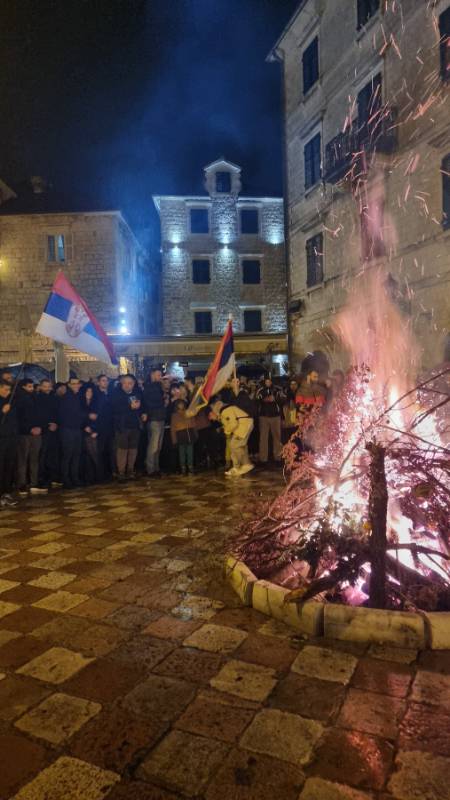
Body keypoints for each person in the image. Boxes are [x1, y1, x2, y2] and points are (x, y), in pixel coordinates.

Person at [15, 379, 47, 496]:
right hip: (24, 434)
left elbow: (39, 415)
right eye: (29, 386)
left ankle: (34, 482)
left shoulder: (35, 398)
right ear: (23, 387)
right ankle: (22, 484)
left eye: (32, 386)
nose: (32, 388)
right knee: (22, 460)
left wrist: (40, 427)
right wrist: (29, 429)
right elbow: (19, 418)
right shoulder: (18, 399)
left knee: (34, 459)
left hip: (37, 432)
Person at [210, 398, 254, 477]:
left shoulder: (225, 410)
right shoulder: (225, 410)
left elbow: (233, 424)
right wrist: (217, 419)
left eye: (212, 410)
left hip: (243, 426)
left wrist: (226, 432)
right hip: (244, 425)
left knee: (234, 445)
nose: (211, 412)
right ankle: (237, 467)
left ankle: (245, 464)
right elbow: (228, 421)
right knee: (237, 446)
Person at [112, 374, 143, 481]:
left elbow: (141, 406)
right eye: (125, 383)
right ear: (121, 383)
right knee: (122, 450)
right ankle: (121, 472)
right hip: (122, 426)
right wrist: (129, 406)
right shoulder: (116, 394)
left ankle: (130, 470)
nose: (127, 385)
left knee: (133, 449)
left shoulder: (137, 393)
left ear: (133, 384)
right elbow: (114, 408)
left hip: (135, 425)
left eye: (130, 383)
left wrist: (143, 413)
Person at [58, 377, 83, 489]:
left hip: (76, 429)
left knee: (76, 454)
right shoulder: (65, 398)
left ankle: (75, 478)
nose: (76, 385)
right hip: (67, 429)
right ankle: (66, 479)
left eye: (77, 383)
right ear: (69, 385)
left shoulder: (78, 397)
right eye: (73, 384)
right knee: (68, 455)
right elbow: (64, 414)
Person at [36, 379, 61, 488]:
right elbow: (38, 414)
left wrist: (56, 423)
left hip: (54, 430)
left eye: (49, 386)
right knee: (43, 455)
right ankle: (42, 478)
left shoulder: (54, 398)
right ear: (41, 387)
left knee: (53, 454)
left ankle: (52, 476)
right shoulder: (37, 398)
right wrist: (47, 425)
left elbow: (57, 412)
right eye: (45, 386)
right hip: (44, 430)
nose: (47, 388)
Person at [143, 367, 166, 478]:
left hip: (160, 418)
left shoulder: (158, 387)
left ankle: (156, 468)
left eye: (160, 375)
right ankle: (150, 469)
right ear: (152, 375)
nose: (160, 377)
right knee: (153, 446)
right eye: (158, 375)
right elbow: (150, 403)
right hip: (154, 419)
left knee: (158, 446)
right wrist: (163, 400)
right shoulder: (148, 387)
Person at [256, 376, 283, 466]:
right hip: (264, 416)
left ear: (271, 382)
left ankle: (278, 458)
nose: (268, 383)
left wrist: (275, 399)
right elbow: (256, 400)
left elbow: (283, 399)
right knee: (263, 438)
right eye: (266, 381)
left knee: (277, 437)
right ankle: (263, 459)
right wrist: (264, 399)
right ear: (264, 382)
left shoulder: (277, 390)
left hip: (275, 416)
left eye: (269, 381)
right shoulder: (260, 390)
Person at [0, 380, 18, 507]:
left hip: (11, 438)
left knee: (9, 466)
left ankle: (6, 492)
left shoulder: (10, 401)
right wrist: (2, 412)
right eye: (5, 389)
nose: (8, 392)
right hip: (1, 438)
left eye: (9, 390)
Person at [170, 399, 197, 475]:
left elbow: (193, 423)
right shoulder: (174, 415)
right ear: (177, 405)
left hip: (189, 434)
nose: (181, 405)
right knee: (182, 453)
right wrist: (174, 439)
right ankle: (183, 467)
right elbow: (173, 428)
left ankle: (190, 467)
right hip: (181, 435)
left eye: (182, 404)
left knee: (190, 452)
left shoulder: (188, 412)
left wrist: (195, 433)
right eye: (179, 404)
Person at [95, 374, 114, 480]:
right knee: (100, 452)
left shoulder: (110, 393)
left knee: (109, 451)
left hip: (109, 426)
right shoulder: (96, 395)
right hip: (100, 427)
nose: (105, 382)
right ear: (98, 382)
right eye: (103, 380)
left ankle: (109, 473)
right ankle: (100, 475)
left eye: (106, 380)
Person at [80, 384, 100, 484]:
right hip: (83, 432)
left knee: (94, 454)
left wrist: (95, 430)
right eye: (87, 391)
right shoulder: (80, 403)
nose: (89, 393)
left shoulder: (96, 403)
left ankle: (97, 475)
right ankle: (88, 477)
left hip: (94, 432)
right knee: (86, 455)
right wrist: (84, 426)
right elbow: (78, 417)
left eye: (91, 391)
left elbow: (100, 418)